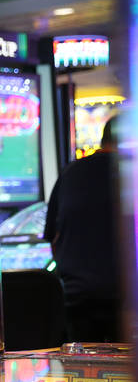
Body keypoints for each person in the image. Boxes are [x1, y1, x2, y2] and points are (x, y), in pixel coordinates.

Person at [43, 118, 121, 342]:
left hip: (77, 297)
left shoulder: (70, 173)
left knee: (82, 370)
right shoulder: (130, 173)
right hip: (125, 300)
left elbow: (52, 237)